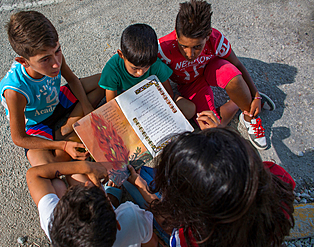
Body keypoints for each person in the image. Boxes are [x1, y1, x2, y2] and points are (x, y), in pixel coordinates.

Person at [127, 127, 295, 247]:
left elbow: (167, 222)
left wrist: (143, 189)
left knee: (138, 184)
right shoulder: (278, 180)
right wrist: (220, 143)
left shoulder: (194, 239)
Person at [157, 0, 276, 150]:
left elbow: (237, 65)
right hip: (189, 84)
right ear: (176, 34)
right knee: (211, 128)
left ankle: (249, 116)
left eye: (197, 47)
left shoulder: (216, 40)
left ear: (207, 35)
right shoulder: (163, 49)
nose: (190, 54)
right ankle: (242, 100)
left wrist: (256, 94)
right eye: (184, 46)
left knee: (232, 75)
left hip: (211, 68)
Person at [0, 11, 104, 167]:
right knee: (50, 164)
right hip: (35, 125)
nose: (56, 63)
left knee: (105, 81)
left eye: (57, 51)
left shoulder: (54, 57)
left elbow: (73, 80)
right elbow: (19, 138)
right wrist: (61, 146)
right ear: (23, 61)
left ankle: (66, 128)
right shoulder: (15, 90)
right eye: (45, 59)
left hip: (55, 101)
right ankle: (62, 137)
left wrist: (88, 107)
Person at [26, 160, 158, 246]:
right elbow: (152, 243)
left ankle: (111, 195)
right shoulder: (131, 217)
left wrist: (85, 167)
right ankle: (112, 195)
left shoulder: (55, 226)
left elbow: (34, 175)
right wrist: (87, 166)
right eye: (98, 189)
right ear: (117, 223)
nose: (89, 182)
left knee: (58, 183)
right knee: (74, 175)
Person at [99, 23, 196, 120]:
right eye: (134, 68)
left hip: (153, 103)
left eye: (146, 67)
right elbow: (111, 106)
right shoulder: (112, 69)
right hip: (127, 107)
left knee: (190, 109)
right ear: (121, 54)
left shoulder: (155, 64)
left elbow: (168, 93)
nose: (140, 73)